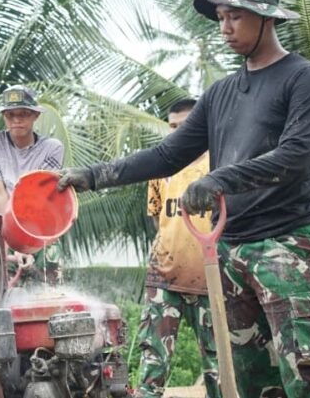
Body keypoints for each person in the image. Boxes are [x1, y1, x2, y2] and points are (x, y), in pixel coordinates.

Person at [57, 0, 310, 397]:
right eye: (220, 17)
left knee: (308, 378)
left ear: (266, 18)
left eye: (235, 17)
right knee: (251, 383)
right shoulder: (220, 94)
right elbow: (167, 156)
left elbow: (296, 156)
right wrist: (93, 176)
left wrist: (219, 179)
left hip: (287, 248)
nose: (225, 28)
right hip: (230, 251)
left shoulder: (303, 79)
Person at [135, 98, 219, 398]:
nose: (178, 133)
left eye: (185, 127)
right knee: (153, 362)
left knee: (219, 366)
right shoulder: (162, 169)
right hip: (164, 278)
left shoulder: (218, 164)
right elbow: (158, 219)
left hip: (211, 280)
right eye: (172, 128)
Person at [0, 85, 65, 284]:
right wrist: (14, 244)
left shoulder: (52, 148)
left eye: (24, 114)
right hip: (3, 227)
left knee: (51, 286)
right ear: (4, 117)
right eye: (10, 115)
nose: (16, 120)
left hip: (40, 227)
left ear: (35, 116)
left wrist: (27, 244)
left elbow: (39, 197)